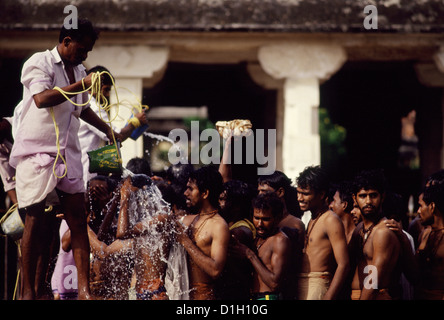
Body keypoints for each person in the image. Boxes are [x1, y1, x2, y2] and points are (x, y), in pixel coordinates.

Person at [9, 18, 122, 299]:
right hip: (38, 152)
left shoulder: (79, 69)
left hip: (68, 155)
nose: (84, 57)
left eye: (87, 53)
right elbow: (41, 99)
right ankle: (27, 292)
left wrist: (107, 128)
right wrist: (81, 83)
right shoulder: (40, 62)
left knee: (78, 220)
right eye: (81, 50)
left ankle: (84, 291)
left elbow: (82, 110)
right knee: (34, 220)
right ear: (66, 41)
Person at [78, 65, 148, 186]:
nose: (108, 95)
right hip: (83, 174)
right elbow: (116, 136)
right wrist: (135, 122)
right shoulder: (92, 106)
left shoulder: (82, 101)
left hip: (82, 170)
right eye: (106, 90)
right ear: (93, 86)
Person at [175, 165, 230, 300]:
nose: (185, 193)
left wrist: (186, 242)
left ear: (205, 193)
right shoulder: (193, 219)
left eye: (191, 189)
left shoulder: (219, 226)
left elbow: (215, 270)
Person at [116, 174, 173, 300]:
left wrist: (124, 198)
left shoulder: (162, 218)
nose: (133, 201)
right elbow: (103, 250)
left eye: (135, 196)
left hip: (156, 292)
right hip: (142, 291)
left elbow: (121, 233)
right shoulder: (142, 225)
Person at [296, 165, 349, 300]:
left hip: (318, 284)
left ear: (321, 194)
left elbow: (344, 264)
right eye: (299, 192)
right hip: (305, 283)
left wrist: (329, 296)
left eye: (306, 194)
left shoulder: (330, 220)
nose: (299, 198)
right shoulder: (313, 219)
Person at [350, 169, 404, 300]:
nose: (368, 201)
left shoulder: (383, 231)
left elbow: (373, 279)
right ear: (354, 198)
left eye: (373, 195)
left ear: (382, 197)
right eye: (363, 196)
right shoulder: (359, 229)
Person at [232, 193, 291, 300]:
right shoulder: (258, 239)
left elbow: (274, 284)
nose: (259, 224)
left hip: (268, 297)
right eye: (256, 218)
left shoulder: (279, 240)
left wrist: (250, 254)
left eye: (266, 219)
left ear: (277, 218)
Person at [257, 171, 305, 299]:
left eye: (264, 191)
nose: (260, 195)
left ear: (280, 192)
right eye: (259, 191)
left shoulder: (294, 224)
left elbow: (292, 266)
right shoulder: (260, 223)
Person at [216, 179, 255, 300]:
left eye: (223, 200)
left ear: (236, 206)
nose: (218, 203)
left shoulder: (239, 232)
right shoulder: (231, 226)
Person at [414, 181, 444, 299]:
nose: (418, 211)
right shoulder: (425, 234)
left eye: (421, 206)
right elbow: (414, 273)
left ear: (432, 207)